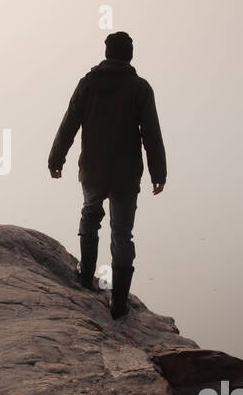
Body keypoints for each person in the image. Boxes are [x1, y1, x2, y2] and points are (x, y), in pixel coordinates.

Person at [47, 31, 166, 319]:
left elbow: (69, 123)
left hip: (94, 169)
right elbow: (151, 133)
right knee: (122, 234)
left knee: (90, 215)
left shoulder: (88, 84)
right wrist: (158, 172)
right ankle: (119, 303)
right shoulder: (140, 88)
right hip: (126, 174)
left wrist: (56, 158)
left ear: (106, 52)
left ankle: (86, 275)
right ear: (130, 55)